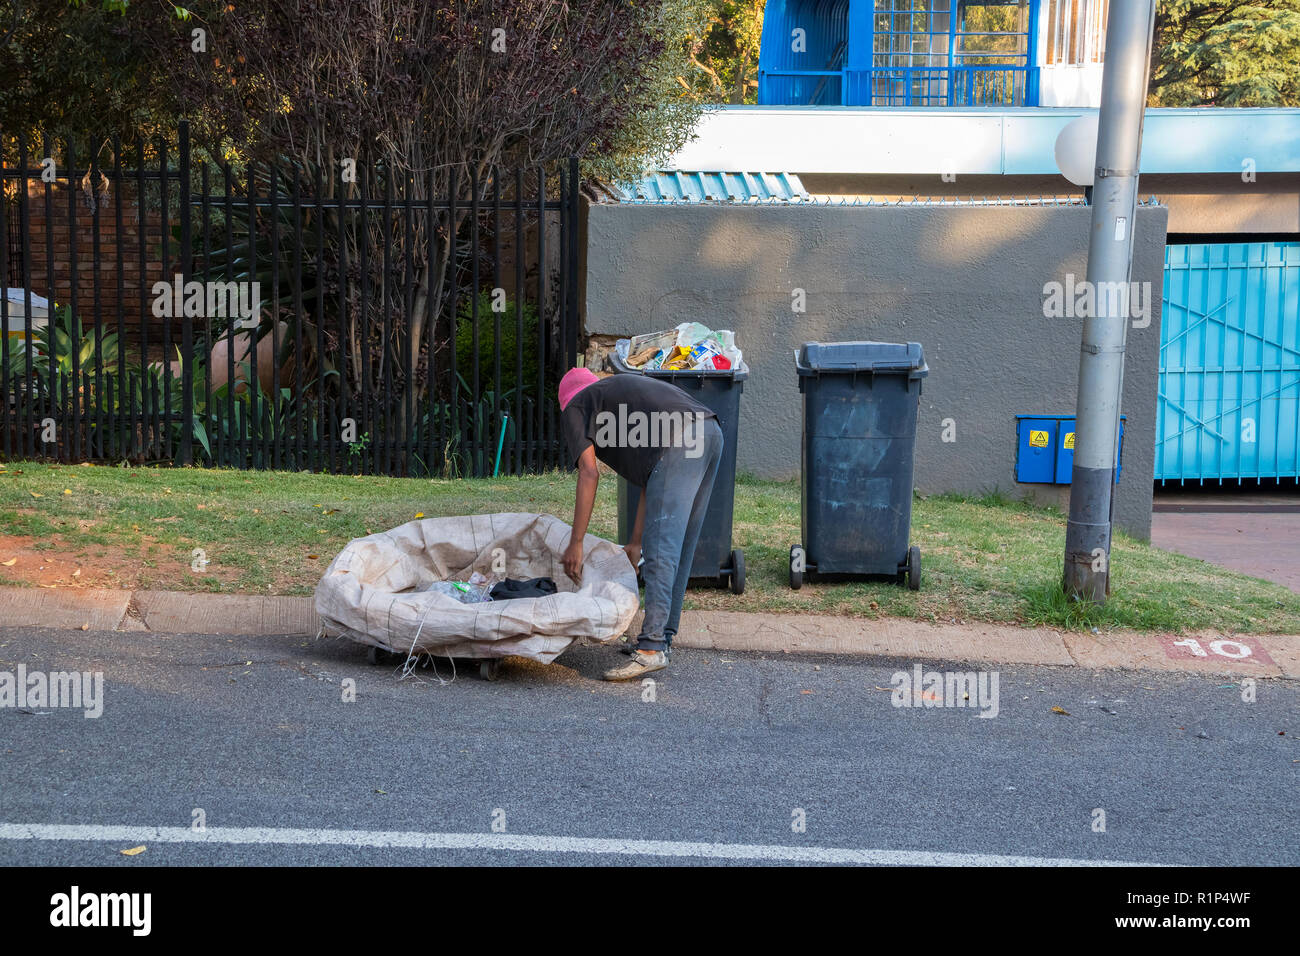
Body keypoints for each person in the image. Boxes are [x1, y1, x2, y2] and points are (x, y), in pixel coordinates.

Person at [558, 366, 723, 681]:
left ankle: (650, 649)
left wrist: (576, 542)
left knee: (663, 550)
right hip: (710, 432)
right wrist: (635, 543)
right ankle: (663, 638)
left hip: (683, 438)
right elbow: (654, 482)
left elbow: (589, 472)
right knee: (680, 544)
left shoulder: (577, 406)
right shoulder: (614, 403)